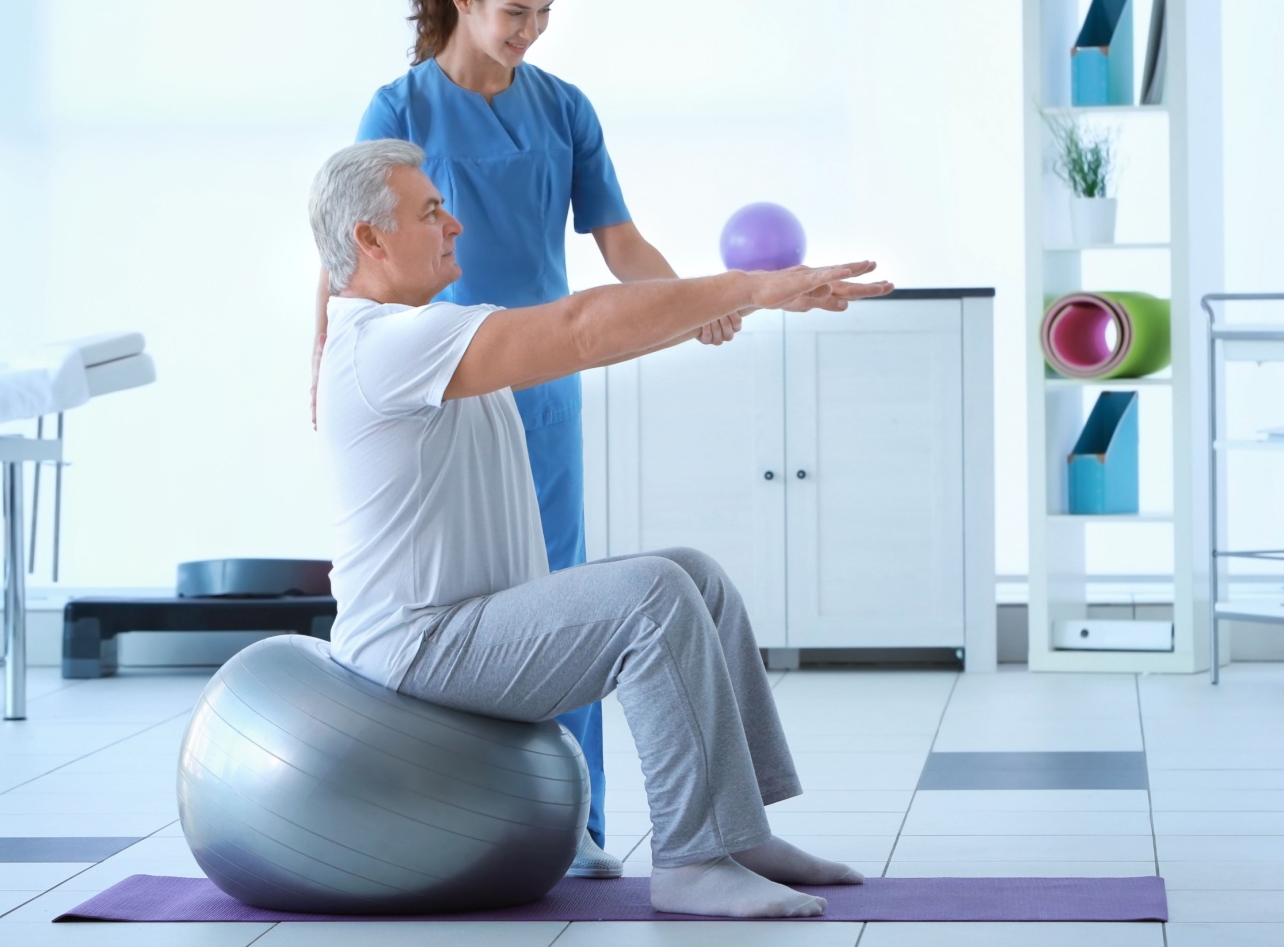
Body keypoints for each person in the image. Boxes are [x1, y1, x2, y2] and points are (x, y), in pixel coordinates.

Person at [309, 138, 891, 917]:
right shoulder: (382, 346)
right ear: (370, 239)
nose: (454, 226)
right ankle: (691, 860)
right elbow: (582, 326)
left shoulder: (423, 335)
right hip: (417, 646)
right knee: (651, 595)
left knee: (694, 576)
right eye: (431, 211)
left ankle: (741, 833)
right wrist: (752, 284)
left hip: (469, 624)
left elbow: (595, 343)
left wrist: (740, 302)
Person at [310, 0, 742, 876]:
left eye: (544, 14)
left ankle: (577, 826)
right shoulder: (402, 109)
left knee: (566, 599)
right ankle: (464, 809)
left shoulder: (563, 107)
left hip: (543, 383)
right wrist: (321, 367)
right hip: (440, 381)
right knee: (470, 604)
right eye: (514, 12)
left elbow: (618, 240)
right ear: (463, 0)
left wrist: (687, 302)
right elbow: (345, 246)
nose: (529, 32)